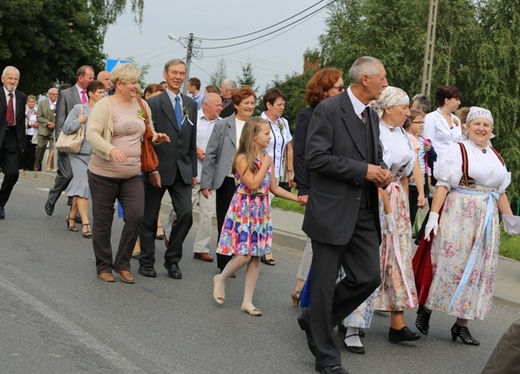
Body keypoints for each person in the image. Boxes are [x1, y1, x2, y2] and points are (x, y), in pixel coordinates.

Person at [297, 56, 391, 374]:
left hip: (363, 210)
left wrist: (382, 172)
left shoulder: (372, 115)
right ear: (365, 78)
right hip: (331, 210)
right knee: (323, 286)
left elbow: (373, 156)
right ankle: (326, 356)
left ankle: (314, 318)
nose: (386, 82)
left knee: (368, 277)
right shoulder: (329, 109)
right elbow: (316, 158)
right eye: (383, 77)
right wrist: (364, 170)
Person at [416, 106, 514, 345]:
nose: (481, 129)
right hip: (459, 214)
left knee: (479, 269)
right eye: (476, 124)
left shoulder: (495, 156)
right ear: (467, 127)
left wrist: (511, 221)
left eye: (486, 125)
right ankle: (426, 309)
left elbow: (499, 191)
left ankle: (461, 325)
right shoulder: (457, 150)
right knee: (449, 264)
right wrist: (433, 216)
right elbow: (443, 185)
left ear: (491, 130)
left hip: (486, 219)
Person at [86, 63, 169, 283]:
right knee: (103, 222)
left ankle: (122, 263)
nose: (136, 86)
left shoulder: (142, 104)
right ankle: (103, 266)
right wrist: (111, 149)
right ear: (119, 84)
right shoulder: (105, 105)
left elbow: (147, 132)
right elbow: (92, 134)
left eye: (137, 81)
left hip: (133, 174)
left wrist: (156, 138)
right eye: (132, 82)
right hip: (103, 174)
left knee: (135, 216)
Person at [212, 117, 302, 315]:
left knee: (255, 257)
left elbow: (274, 188)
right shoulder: (241, 157)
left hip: (260, 211)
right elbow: (252, 184)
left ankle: (247, 301)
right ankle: (222, 278)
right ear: (254, 136)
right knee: (243, 255)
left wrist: (298, 200)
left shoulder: (265, 158)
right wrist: (265, 165)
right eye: (266, 134)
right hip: (244, 209)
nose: (270, 138)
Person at [372, 86, 426, 343]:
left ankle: (397, 323)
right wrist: (386, 205)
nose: (408, 112)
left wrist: (403, 206)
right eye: (404, 107)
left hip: (398, 200)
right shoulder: (373, 132)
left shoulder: (405, 136)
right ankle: (351, 316)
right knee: (372, 257)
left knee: (399, 258)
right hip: (376, 198)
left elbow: (404, 175)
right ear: (389, 108)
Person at [138, 59, 197, 280]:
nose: (178, 77)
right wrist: (149, 168)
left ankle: (172, 260)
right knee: (149, 217)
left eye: (182, 73)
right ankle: (146, 261)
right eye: (174, 72)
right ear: (165, 74)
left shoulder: (190, 104)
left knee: (186, 214)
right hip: (157, 169)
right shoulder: (153, 104)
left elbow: (190, 140)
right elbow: (145, 139)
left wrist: (192, 171)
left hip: (182, 169)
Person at [291, 67, 345, 306]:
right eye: (338, 88)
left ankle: (306, 288)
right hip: (315, 185)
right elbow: (301, 154)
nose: (343, 91)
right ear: (323, 91)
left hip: (336, 186)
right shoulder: (308, 116)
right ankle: (302, 286)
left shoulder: (342, 114)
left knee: (322, 239)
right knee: (317, 238)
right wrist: (303, 188)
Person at [201, 86, 256, 274]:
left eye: (252, 103)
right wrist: (206, 183)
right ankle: (224, 263)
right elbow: (211, 155)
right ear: (237, 104)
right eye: (246, 103)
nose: (250, 107)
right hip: (227, 180)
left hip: (248, 182)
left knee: (244, 223)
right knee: (226, 222)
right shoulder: (223, 125)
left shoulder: (256, 125)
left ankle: (240, 257)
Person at [45, 65, 95, 216]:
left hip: (86, 145)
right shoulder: (67, 94)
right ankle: (52, 198)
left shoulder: (95, 96)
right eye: (90, 78)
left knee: (83, 178)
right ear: (80, 78)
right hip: (70, 141)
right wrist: (59, 143)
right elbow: (60, 119)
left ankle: (76, 213)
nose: (93, 80)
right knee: (67, 175)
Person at [61, 80, 106, 238]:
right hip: (78, 154)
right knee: (83, 183)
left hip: (96, 155)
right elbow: (65, 128)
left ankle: (71, 216)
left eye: (104, 92)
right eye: (100, 92)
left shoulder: (105, 111)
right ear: (91, 94)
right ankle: (86, 223)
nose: (103, 95)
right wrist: (78, 122)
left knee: (83, 187)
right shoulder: (79, 109)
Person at [259, 87, 294, 266]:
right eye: (279, 104)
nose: (282, 107)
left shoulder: (283, 123)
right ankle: (265, 249)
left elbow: (288, 146)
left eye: (283, 104)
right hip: (260, 172)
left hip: (276, 173)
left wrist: (290, 171)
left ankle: (262, 247)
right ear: (268, 104)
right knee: (264, 212)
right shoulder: (259, 122)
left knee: (267, 211)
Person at [190, 92, 222, 262]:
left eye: (221, 105)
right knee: (182, 211)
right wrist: (197, 152)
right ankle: (169, 233)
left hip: (210, 177)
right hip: (191, 174)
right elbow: (186, 140)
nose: (220, 108)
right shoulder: (193, 118)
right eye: (217, 105)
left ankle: (201, 248)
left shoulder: (222, 124)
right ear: (205, 105)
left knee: (207, 214)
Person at [0, 66, 27, 220]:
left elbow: (22, 121)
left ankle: (0, 203)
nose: (12, 81)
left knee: (12, 174)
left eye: (15, 79)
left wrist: (22, 144)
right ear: (3, 79)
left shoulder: (21, 97)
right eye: (10, 78)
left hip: (13, 139)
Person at [422, 85, 462, 159]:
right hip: (437, 163)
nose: (459, 103)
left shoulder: (456, 120)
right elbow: (427, 143)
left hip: (454, 163)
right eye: (456, 99)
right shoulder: (431, 117)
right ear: (447, 101)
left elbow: (459, 142)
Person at [35, 88, 58, 172]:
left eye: (56, 94)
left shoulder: (59, 104)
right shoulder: (42, 103)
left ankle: (49, 166)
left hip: (54, 129)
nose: (55, 96)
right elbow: (38, 116)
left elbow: (61, 116)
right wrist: (47, 123)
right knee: (40, 148)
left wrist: (55, 124)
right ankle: (36, 165)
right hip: (43, 129)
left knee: (53, 148)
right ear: (49, 95)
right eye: (53, 94)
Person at [23, 95, 38, 171]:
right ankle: (23, 165)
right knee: (25, 149)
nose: (32, 103)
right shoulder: (24, 109)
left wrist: (37, 123)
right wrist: (30, 124)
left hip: (34, 133)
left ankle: (30, 166)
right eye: (30, 102)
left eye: (33, 102)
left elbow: (40, 118)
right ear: (27, 102)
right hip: (25, 132)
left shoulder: (37, 109)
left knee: (32, 150)